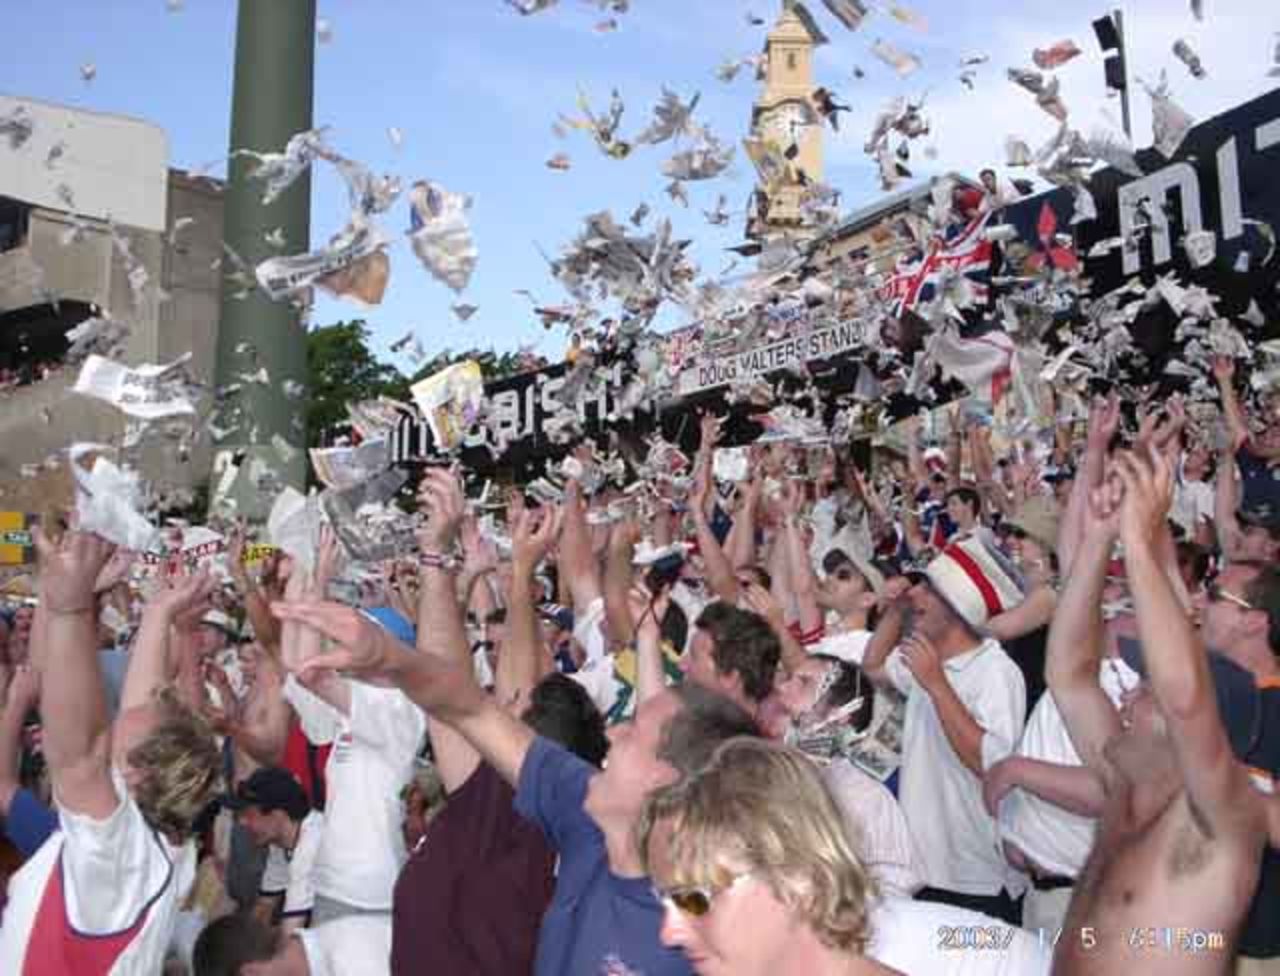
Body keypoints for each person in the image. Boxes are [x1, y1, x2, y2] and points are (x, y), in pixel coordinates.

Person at [271, 468, 760, 976]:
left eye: (633, 732)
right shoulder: (577, 813)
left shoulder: (693, 936)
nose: (615, 732)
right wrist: (400, 642)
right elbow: (465, 704)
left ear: (666, 780)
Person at [1048, 447, 1280, 974]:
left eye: (1145, 691)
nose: (1128, 697)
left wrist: (1138, 540)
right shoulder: (1124, 782)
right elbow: (1068, 673)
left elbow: (1183, 696)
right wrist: (1100, 538)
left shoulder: (1225, 820)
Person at [0, 530, 222, 974]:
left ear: (138, 773)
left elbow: (80, 755)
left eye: (126, 726)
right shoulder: (153, 842)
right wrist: (159, 612)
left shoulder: (117, 854)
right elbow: (145, 697)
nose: (125, 712)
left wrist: (68, 608)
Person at [640, 736, 1049, 976]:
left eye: (694, 898)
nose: (667, 933)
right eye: (665, 899)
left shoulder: (915, 934)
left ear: (799, 879)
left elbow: (1009, 944)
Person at [863, 535, 1028, 924]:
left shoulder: (996, 671)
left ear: (957, 607)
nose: (915, 593)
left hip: (976, 881)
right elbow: (873, 667)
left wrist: (936, 685)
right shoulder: (928, 659)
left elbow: (991, 765)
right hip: (927, 870)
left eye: (927, 589)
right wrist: (897, 611)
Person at [770, 653, 924, 898]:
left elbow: (893, 894)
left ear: (840, 716)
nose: (783, 688)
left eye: (804, 682)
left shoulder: (866, 800)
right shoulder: (756, 779)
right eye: (788, 678)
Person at [222, 767, 325, 935]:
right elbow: (264, 907)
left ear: (277, 815)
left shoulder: (312, 844)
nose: (241, 822)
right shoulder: (281, 842)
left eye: (248, 814)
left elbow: (290, 931)